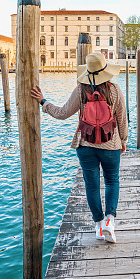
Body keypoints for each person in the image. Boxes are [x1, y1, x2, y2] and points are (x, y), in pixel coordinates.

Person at [31, 52, 127, 243]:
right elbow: (122, 118)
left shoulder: (80, 90)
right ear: (105, 70)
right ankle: (110, 221)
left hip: (85, 145)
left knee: (92, 185)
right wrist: (123, 140)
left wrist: (43, 101)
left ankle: (98, 226)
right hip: (111, 145)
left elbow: (62, 113)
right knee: (111, 181)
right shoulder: (115, 89)